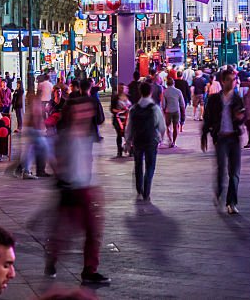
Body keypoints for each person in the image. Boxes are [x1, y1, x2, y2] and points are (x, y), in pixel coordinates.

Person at [46, 91, 111, 285]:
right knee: (63, 232)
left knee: (92, 231)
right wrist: (61, 175)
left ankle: (89, 270)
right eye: (80, 111)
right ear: (72, 113)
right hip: (70, 189)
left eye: (87, 110)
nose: (84, 114)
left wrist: (97, 187)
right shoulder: (65, 136)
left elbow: (91, 161)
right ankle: (52, 258)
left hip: (85, 188)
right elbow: (54, 160)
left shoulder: (89, 135)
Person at [202, 68, 245, 214]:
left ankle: (231, 202)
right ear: (223, 81)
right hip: (220, 138)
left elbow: (243, 116)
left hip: (234, 137)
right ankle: (219, 192)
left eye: (234, 80)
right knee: (221, 169)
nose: (233, 83)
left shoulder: (237, 99)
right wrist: (204, 134)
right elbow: (207, 118)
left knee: (235, 172)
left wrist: (240, 118)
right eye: (229, 80)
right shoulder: (214, 99)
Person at [125, 81, 165, 201]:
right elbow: (161, 126)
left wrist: (128, 141)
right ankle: (146, 191)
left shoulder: (134, 109)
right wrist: (160, 138)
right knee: (150, 165)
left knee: (138, 164)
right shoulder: (155, 108)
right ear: (151, 92)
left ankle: (139, 188)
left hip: (137, 139)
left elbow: (129, 127)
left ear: (140, 92)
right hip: (151, 139)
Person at [160, 74, 186, 148]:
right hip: (176, 110)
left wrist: (164, 111)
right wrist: (183, 111)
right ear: (173, 83)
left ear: (167, 84)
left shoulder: (165, 92)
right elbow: (182, 103)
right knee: (175, 126)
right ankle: (174, 142)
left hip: (168, 111)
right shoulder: (178, 91)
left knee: (168, 126)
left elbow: (163, 104)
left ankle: (170, 140)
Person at [110, 84, 131, 158]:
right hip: (118, 119)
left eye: (122, 88)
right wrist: (120, 111)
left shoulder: (129, 97)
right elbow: (112, 109)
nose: (121, 89)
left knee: (128, 135)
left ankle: (130, 149)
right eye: (120, 88)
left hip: (128, 119)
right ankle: (119, 150)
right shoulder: (115, 98)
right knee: (119, 134)